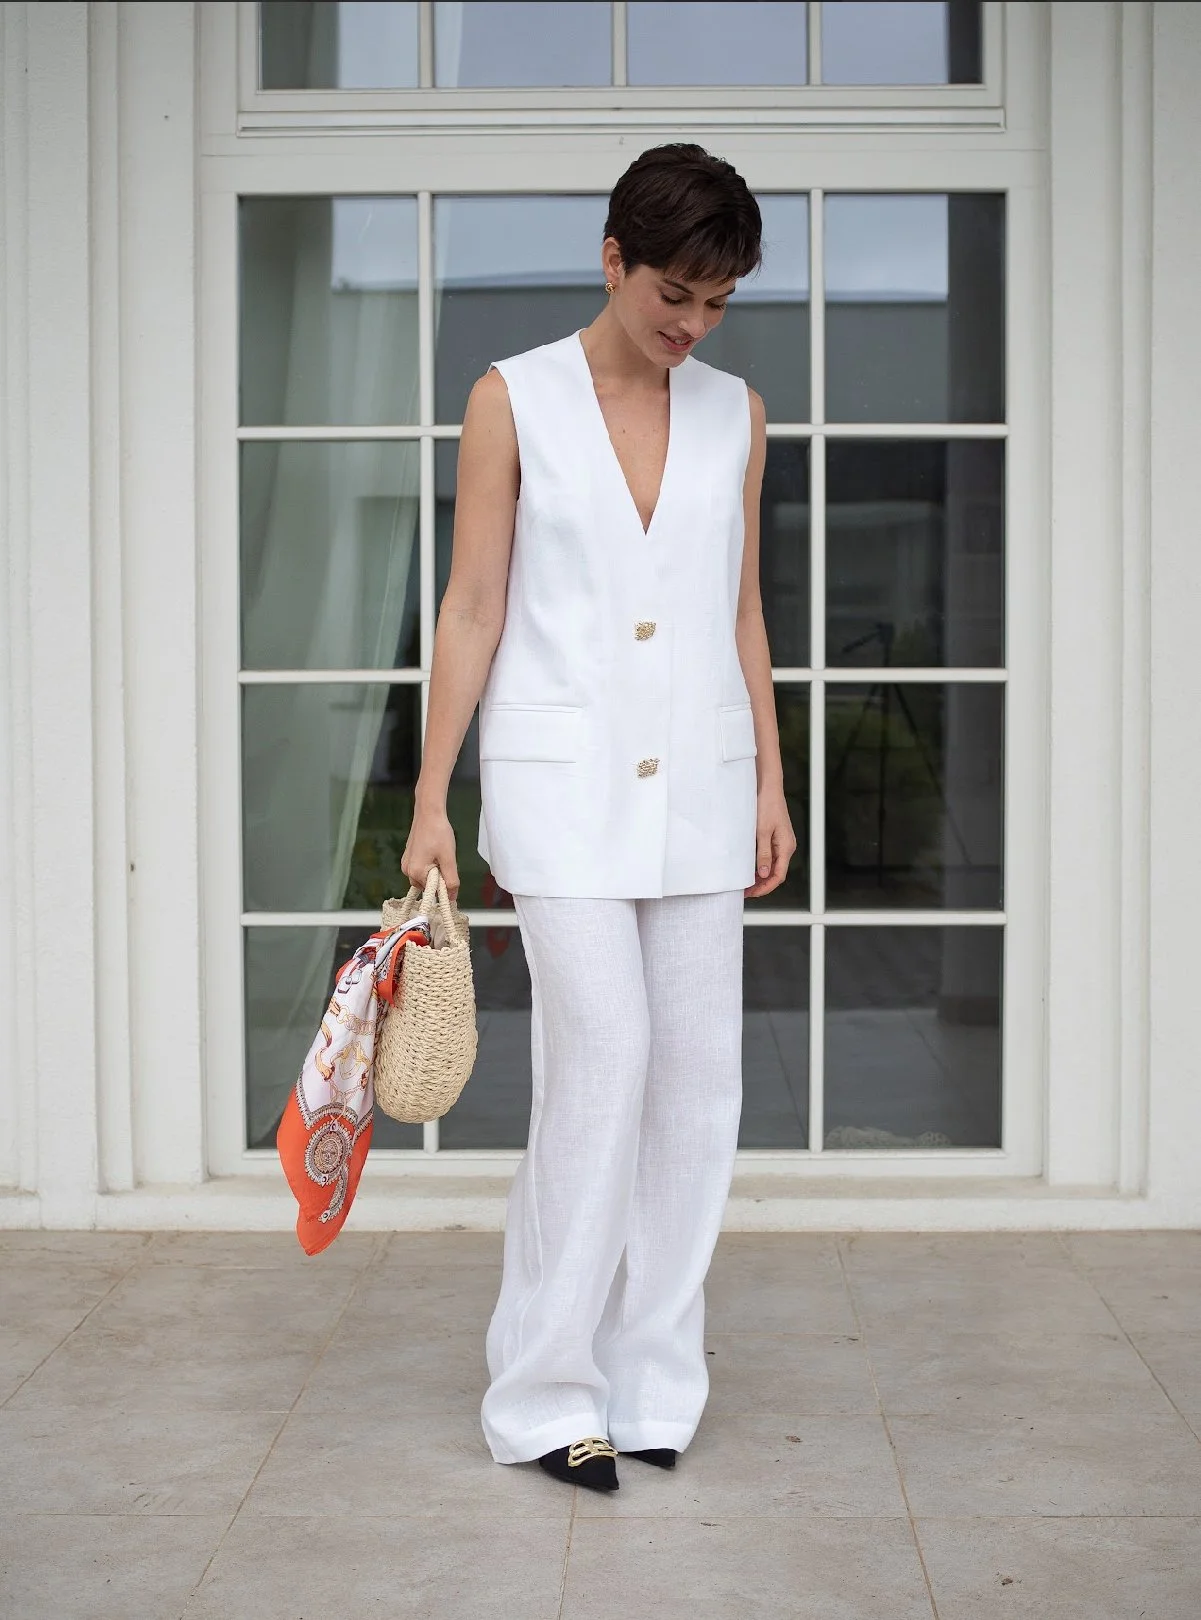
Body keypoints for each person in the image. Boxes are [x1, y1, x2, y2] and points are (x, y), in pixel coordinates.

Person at [401, 142, 796, 1493]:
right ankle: (543, 1392)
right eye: (674, 294)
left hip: (703, 779)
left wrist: (771, 777)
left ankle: (652, 1381)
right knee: (605, 1058)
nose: (693, 325)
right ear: (614, 259)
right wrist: (431, 798)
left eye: (718, 303)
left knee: (699, 1080)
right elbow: (472, 606)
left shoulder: (738, 416)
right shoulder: (512, 398)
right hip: (559, 785)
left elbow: (742, 608)